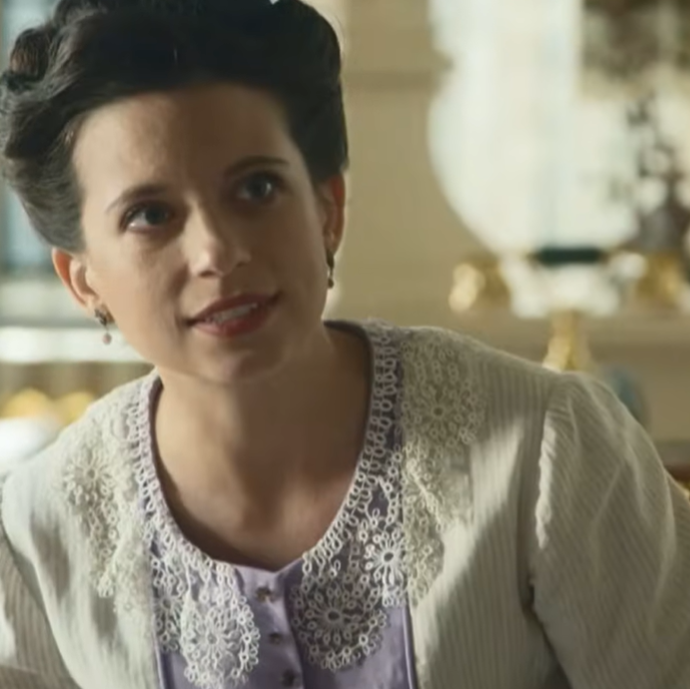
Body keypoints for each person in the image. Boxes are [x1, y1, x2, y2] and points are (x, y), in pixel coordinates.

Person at [0, 1, 689, 687]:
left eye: (257, 188)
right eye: (150, 214)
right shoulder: (38, 531)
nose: (217, 251)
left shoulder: (545, 450)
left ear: (327, 210)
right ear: (83, 280)